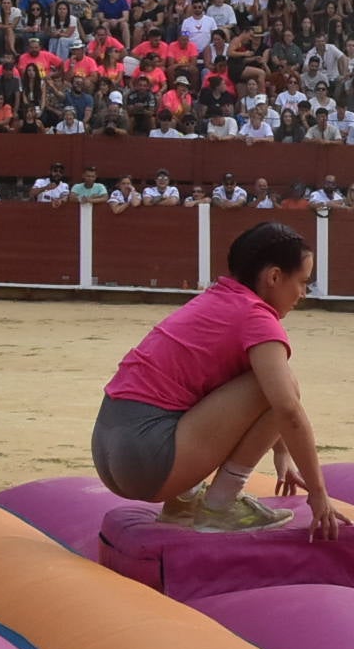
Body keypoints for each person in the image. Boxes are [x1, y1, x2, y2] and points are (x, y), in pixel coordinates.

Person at [92, 220, 338, 538]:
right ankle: (221, 505)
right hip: (148, 462)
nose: (303, 293)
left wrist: (281, 452)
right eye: (302, 282)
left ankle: (183, 500)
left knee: (238, 378)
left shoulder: (215, 300)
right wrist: (318, 494)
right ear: (275, 277)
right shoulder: (257, 317)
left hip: (108, 449)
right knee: (285, 383)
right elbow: (286, 408)